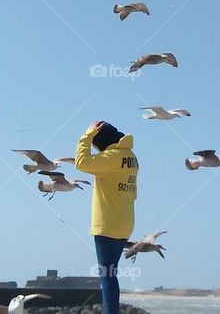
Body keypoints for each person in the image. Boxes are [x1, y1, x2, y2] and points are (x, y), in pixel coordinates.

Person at [75, 120, 138, 314]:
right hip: (125, 221)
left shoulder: (112, 157)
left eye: (96, 143)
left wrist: (86, 135)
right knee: (111, 272)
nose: (97, 149)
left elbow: (81, 163)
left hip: (108, 222)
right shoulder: (130, 156)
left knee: (107, 274)